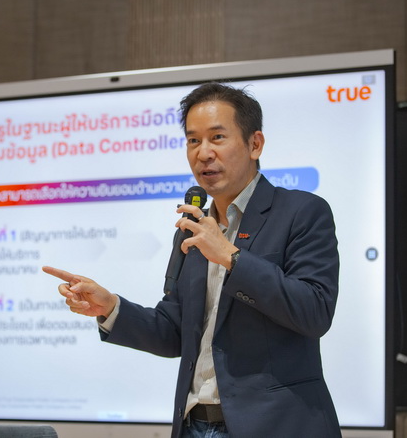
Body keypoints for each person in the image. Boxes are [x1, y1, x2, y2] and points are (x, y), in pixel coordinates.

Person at [42, 82, 341, 437]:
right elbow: (175, 331)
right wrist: (110, 307)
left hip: (274, 426)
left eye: (217, 137)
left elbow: (314, 311)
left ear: (255, 144)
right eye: (193, 140)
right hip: (194, 425)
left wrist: (231, 257)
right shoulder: (193, 229)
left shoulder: (301, 212)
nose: (203, 153)